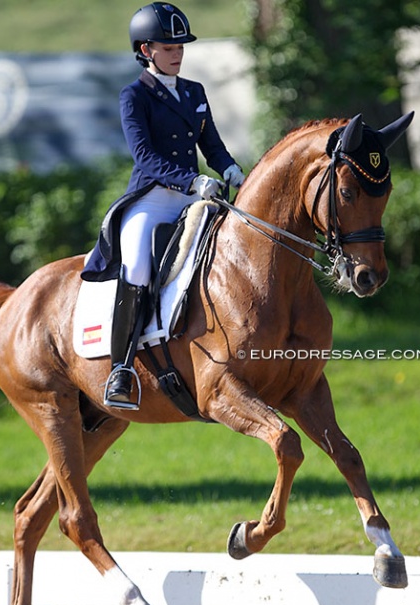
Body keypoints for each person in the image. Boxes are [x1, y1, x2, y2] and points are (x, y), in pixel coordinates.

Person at [82, 2, 245, 409]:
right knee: (136, 267)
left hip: (194, 200)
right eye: (167, 47)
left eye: (180, 47)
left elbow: (212, 146)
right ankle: (121, 370)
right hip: (153, 201)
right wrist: (192, 179)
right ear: (145, 50)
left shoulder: (194, 92)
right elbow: (144, 157)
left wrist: (230, 168)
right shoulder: (134, 95)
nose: (177, 53)